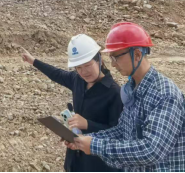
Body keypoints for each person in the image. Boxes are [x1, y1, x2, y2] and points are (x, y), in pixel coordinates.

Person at [65, 22, 185, 172]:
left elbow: (151, 150)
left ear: (137, 54)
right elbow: (122, 131)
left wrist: (94, 145)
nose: (113, 65)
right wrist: (83, 140)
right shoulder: (132, 89)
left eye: (116, 57)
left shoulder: (165, 94)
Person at [22, 34, 123, 172]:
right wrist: (33, 61)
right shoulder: (78, 80)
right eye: (78, 67)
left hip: (98, 164)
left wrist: (87, 124)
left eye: (88, 65)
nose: (84, 72)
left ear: (99, 60)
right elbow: (57, 74)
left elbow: (118, 134)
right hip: (75, 159)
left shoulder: (114, 93)